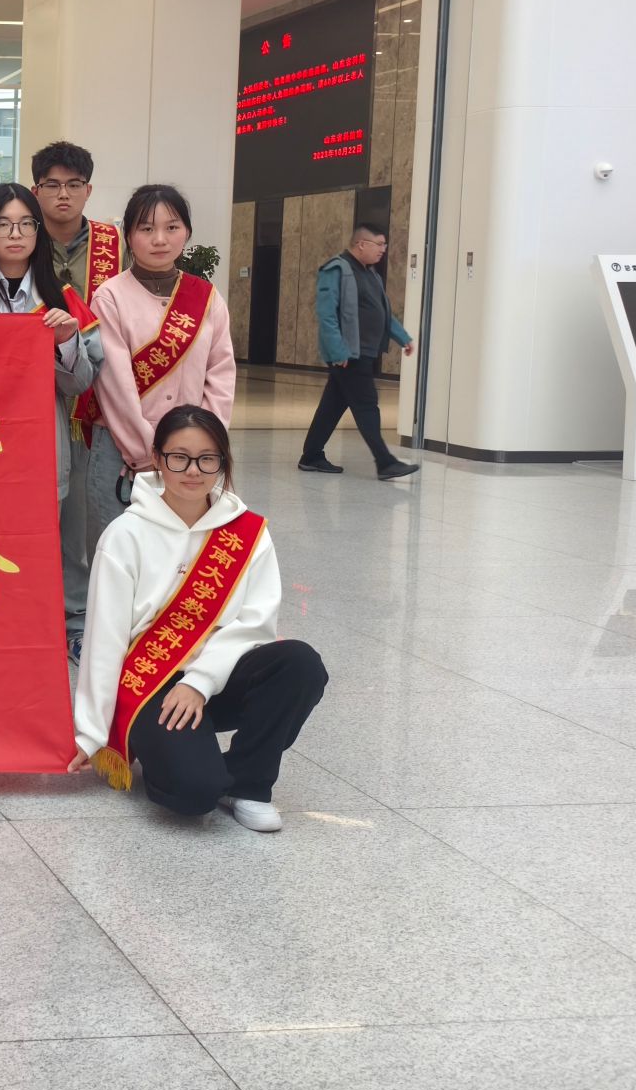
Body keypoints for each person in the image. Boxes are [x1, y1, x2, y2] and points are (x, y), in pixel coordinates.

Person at [69, 406, 327, 832]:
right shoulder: (125, 535)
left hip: (217, 676)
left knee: (300, 663)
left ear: (223, 461)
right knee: (194, 795)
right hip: (150, 683)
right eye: (180, 457)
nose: (193, 471)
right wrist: (91, 733)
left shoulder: (247, 532)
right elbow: (105, 639)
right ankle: (187, 759)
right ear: (157, 458)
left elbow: (256, 624)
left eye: (208, 459)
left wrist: (199, 682)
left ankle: (249, 784)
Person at [0, 184, 95, 500]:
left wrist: (66, 344)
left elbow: (79, 384)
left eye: (26, 224)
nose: (15, 234)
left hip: (38, 446)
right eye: (3, 224)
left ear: (38, 231)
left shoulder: (60, 299)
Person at [30, 140, 125, 658]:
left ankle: (80, 615)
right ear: (35, 190)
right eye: (52, 185)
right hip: (35, 397)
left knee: (87, 516)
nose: (62, 195)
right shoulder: (20, 238)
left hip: (99, 399)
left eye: (73, 185)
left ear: (88, 190)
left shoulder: (115, 246)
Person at [91, 185, 236, 510]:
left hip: (192, 456)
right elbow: (114, 385)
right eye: (146, 229)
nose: (160, 239)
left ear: (187, 232)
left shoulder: (206, 297)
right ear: (129, 236)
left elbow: (221, 375)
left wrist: (202, 444)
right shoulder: (109, 297)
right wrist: (147, 455)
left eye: (171, 227)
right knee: (119, 540)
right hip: (122, 453)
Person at [300, 221, 419, 481]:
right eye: (379, 244)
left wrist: (403, 337)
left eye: (385, 245)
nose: (383, 249)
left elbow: (383, 312)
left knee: (332, 406)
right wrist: (338, 351)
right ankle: (385, 462)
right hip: (349, 355)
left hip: (365, 352)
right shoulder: (337, 269)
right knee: (367, 405)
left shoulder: (371, 275)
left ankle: (311, 456)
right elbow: (326, 314)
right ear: (361, 244)